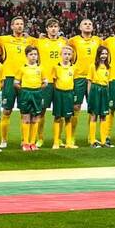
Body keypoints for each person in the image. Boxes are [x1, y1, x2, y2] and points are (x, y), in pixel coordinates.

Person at [0, 16, 34, 149]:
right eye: (16, 24)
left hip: (26, 78)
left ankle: (25, 140)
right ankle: (4, 140)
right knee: (7, 110)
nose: (19, 26)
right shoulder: (3, 39)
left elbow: (45, 39)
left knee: (26, 112)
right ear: (11, 26)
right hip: (9, 78)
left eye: (21, 24)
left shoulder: (30, 40)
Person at [35, 18, 68, 149]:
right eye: (51, 27)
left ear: (59, 28)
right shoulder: (40, 42)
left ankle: (58, 139)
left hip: (60, 81)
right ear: (47, 29)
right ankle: (40, 138)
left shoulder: (64, 42)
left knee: (59, 113)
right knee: (40, 111)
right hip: (45, 81)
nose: (54, 29)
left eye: (56, 26)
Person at [69, 18, 101, 139]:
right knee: (75, 107)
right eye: (85, 24)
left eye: (90, 24)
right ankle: (71, 136)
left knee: (93, 108)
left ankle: (91, 137)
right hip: (79, 77)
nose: (88, 26)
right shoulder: (73, 41)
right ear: (80, 28)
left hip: (94, 78)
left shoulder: (98, 40)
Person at [15, 45, 46, 151]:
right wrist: (23, 91)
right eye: (31, 54)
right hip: (25, 94)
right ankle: (25, 142)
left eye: (35, 54)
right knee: (26, 118)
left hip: (37, 94)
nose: (33, 56)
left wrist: (38, 90)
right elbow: (16, 83)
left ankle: (33, 143)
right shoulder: (22, 68)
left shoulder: (41, 68)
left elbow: (45, 82)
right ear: (26, 56)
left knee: (35, 118)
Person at [50, 46, 77, 149]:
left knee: (68, 118)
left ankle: (69, 142)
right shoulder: (56, 67)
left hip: (69, 94)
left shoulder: (74, 68)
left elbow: (74, 81)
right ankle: (56, 142)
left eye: (69, 54)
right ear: (60, 55)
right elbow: (53, 82)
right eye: (65, 54)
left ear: (72, 56)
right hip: (58, 94)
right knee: (57, 117)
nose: (67, 56)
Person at [87, 46, 113, 147]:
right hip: (95, 90)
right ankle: (92, 141)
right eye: (102, 53)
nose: (104, 56)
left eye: (106, 54)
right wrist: (90, 96)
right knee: (94, 116)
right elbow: (89, 81)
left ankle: (103, 141)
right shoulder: (93, 66)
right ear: (98, 54)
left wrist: (108, 95)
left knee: (104, 116)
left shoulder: (109, 67)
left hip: (104, 91)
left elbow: (108, 83)